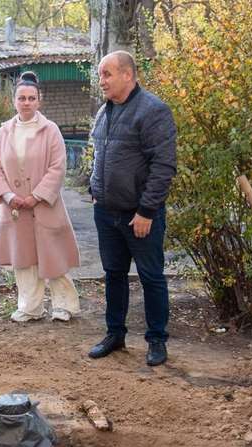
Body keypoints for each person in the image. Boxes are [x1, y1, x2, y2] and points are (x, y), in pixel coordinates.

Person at [88, 50, 176, 367]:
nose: (102, 81)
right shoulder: (105, 111)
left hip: (139, 216)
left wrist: (147, 211)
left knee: (151, 277)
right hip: (106, 213)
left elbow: (163, 167)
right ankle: (115, 334)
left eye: (107, 74)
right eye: (100, 74)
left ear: (128, 75)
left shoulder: (154, 111)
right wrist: (94, 191)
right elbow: (97, 156)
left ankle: (156, 341)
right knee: (113, 275)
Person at [0, 72, 81, 323]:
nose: (26, 102)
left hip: (45, 207)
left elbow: (57, 167)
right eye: (21, 98)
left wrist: (36, 196)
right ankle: (30, 307)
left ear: (39, 101)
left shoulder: (50, 130)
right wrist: (7, 195)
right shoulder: (4, 131)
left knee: (54, 257)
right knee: (24, 260)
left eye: (31, 98)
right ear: (14, 101)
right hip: (15, 209)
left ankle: (65, 305)